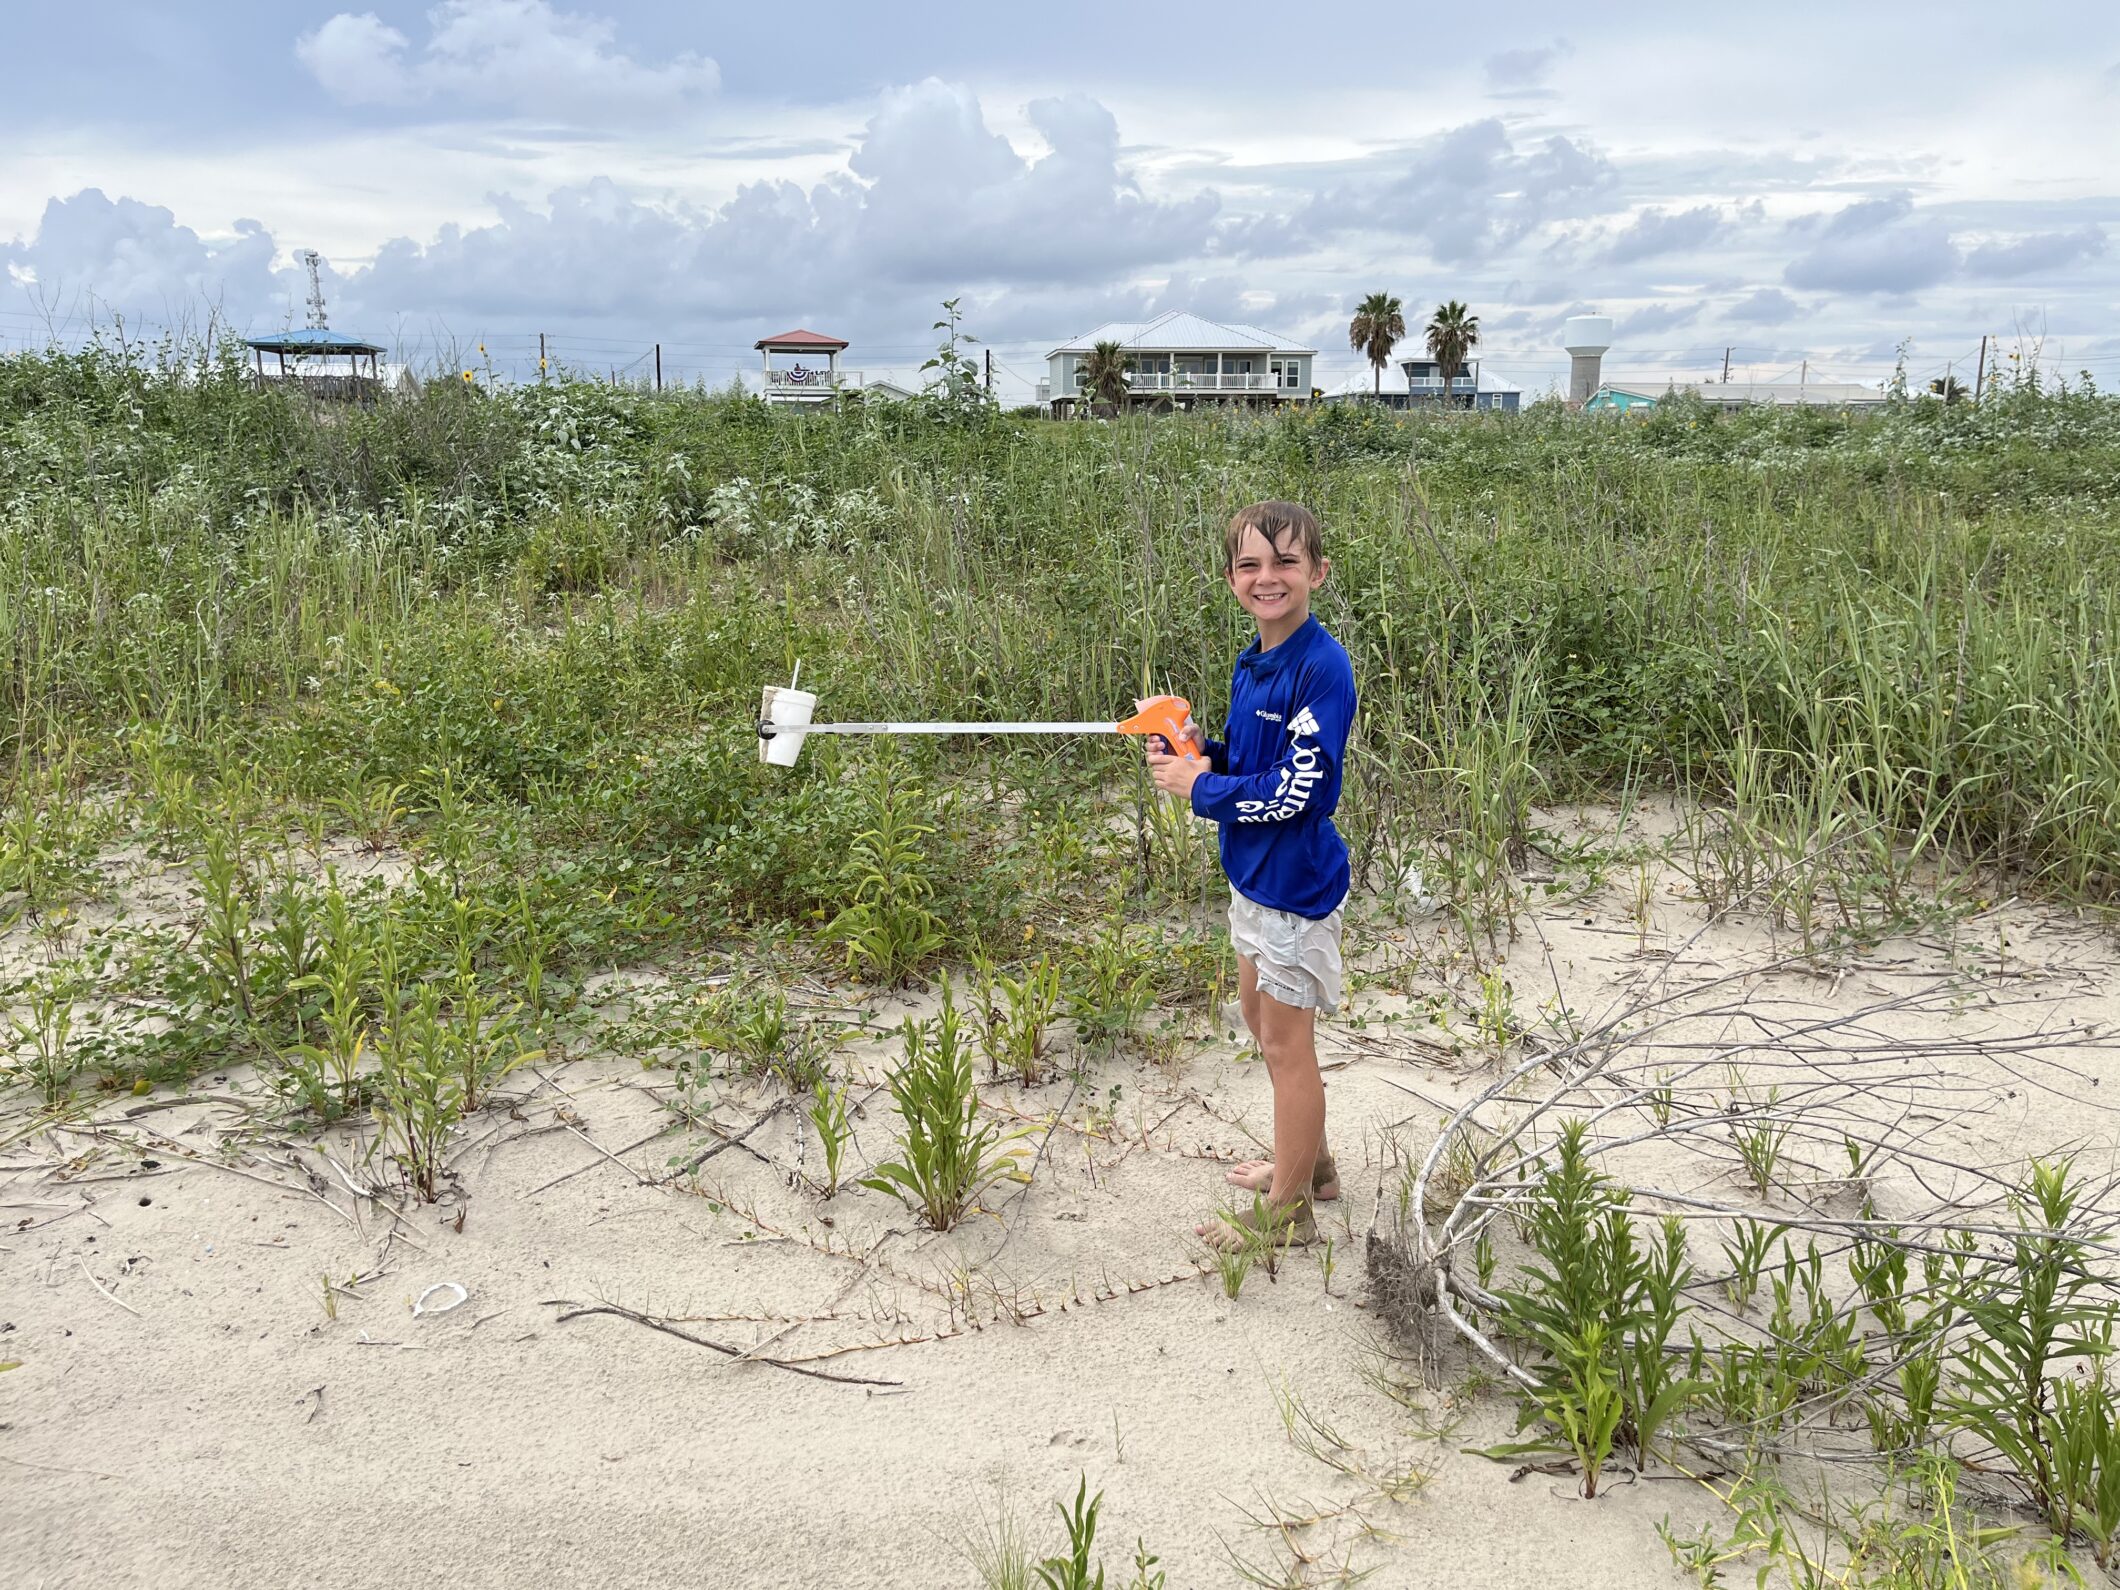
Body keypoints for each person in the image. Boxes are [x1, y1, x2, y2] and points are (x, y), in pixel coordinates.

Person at [1146, 500, 1356, 1248]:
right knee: (1259, 1021)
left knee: (1285, 1045)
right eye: (1250, 565)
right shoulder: (1256, 660)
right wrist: (1206, 754)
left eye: (1285, 563)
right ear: (1231, 577)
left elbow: (1302, 790)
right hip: (1254, 879)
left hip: (1296, 889)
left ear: (1317, 573)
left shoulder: (1320, 668)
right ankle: (1314, 1168)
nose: (1267, 578)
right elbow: (1258, 762)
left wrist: (1200, 791)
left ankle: (1289, 1213)